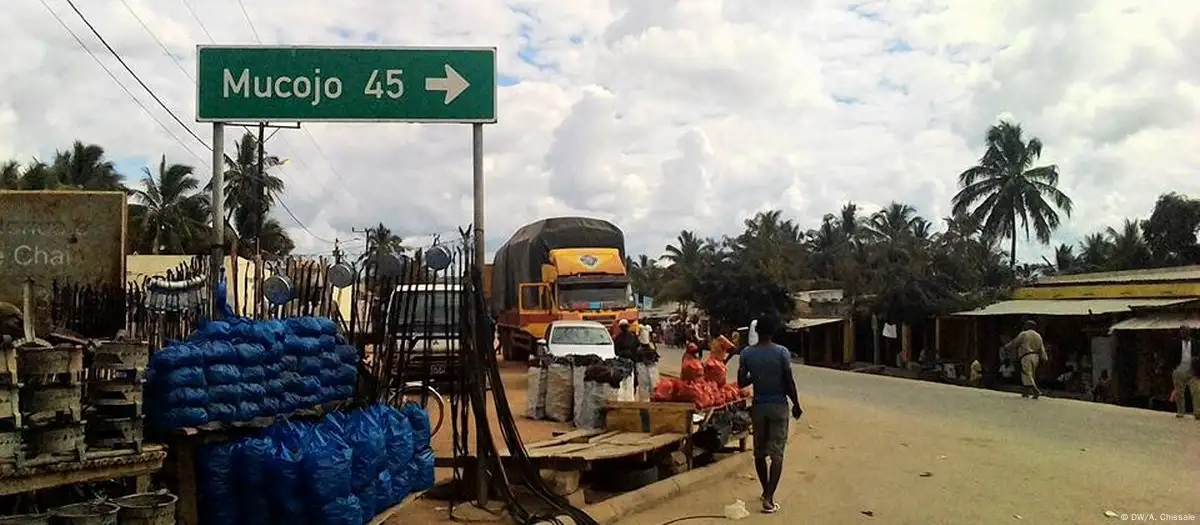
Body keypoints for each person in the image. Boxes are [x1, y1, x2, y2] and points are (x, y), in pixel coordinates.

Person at [737, 315, 802, 514]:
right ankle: (769, 498)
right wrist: (796, 404)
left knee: (759, 452)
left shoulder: (747, 353)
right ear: (773, 331)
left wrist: (755, 373)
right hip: (778, 406)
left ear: (756, 332)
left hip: (759, 407)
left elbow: (741, 383)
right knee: (777, 454)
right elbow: (789, 382)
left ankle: (765, 490)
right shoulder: (782, 353)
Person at [1001, 320, 1049, 399]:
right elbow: (1042, 348)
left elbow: (1014, 342)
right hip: (1036, 356)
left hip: (1026, 355)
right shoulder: (1038, 336)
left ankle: (1036, 391)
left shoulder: (1024, 334)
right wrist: (1044, 358)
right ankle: (1025, 392)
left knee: (1026, 374)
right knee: (1030, 374)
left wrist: (1006, 347)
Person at [1171, 326, 1199, 420]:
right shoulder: (1175, 343)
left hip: (1193, 371)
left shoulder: (1196, 343)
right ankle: (1180, 412)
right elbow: (1169, 356)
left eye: (1186, 331)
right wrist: (1173, 368)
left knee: (1196, 391)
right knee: (1179, 393)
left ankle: (1197, 412)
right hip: (1179, 370)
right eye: (1183, 331)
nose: (1184, 333)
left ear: (1189, 332)